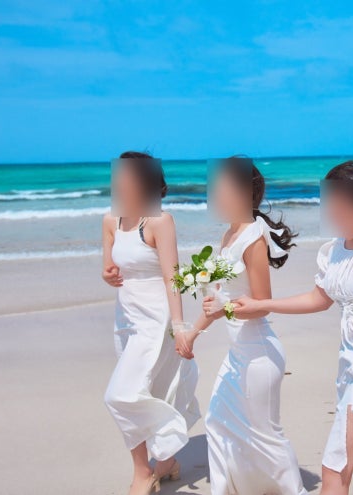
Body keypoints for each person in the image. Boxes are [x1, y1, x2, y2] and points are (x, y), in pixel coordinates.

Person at [233, 161, 353, 495]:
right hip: (351, 364)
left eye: (344, 205)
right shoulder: (334, 251)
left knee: (336, 466)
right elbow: (319, 298)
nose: (337, 213)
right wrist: (262, 305)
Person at [175, 156, 307, 495]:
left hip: (259, 354)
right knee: (218, 421)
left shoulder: (253, 238)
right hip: (239, 353)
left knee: (267, 436)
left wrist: (225, 310)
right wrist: (191, 333)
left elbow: (262, 303)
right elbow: (218, 298)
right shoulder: (230, 234)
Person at [102, 151, 201, 495]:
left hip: (157, 319)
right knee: (148, 390)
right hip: (126, 318)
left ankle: (143, 472)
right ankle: (167, 463)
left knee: (120, 395)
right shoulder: (110, 220)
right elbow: (110, 268)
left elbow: (173, 277)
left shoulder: (159, 221)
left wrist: (181, 327)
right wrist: (108, 275)